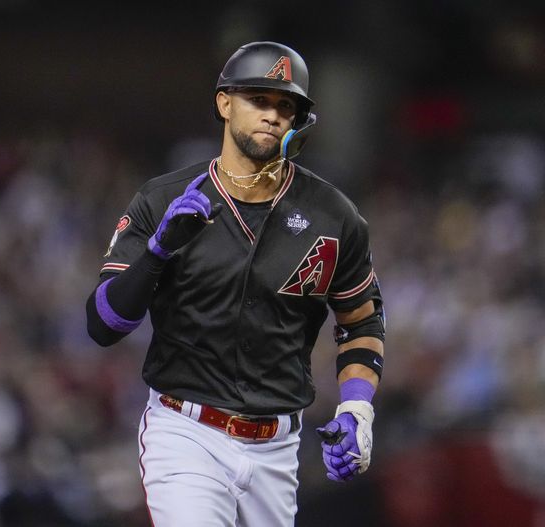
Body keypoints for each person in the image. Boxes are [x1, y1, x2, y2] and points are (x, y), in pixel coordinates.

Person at [85, 41, 385, 527]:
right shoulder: (164, 200)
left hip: (278, 447)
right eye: (258, 100)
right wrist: (156, 254)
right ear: (224, 103)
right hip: (186, 431)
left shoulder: (335, 217)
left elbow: (361, 321)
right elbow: (103, 324)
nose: (272, 115)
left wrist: (357, 408)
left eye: (285, 106)